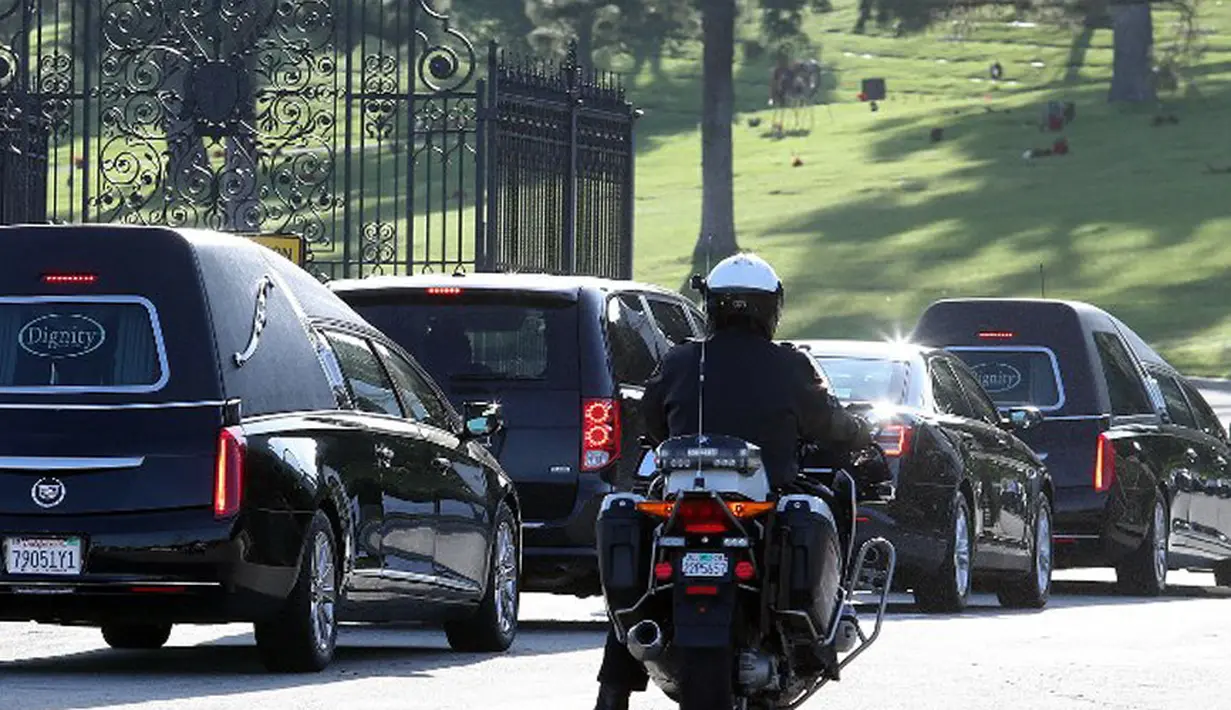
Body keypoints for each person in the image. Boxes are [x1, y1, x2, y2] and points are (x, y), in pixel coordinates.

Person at [593, 252, 875, 710]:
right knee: (826, 500)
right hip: (763, 504)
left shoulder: (682, 360)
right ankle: (820, 630)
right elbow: (828, 424)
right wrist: (859, 434)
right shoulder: (791, 365)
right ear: (771, 308)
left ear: (714, 305)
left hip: (682, 497)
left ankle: (611, 692)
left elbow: (653, 421)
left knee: (643, 571)